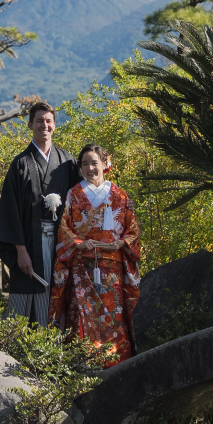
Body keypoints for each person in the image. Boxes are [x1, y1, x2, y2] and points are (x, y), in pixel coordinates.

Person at [48, 143, 141, 362]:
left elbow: (133, 229)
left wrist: (121, 244)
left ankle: (116, 362)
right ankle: (84, 362)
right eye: (85, 164)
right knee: (82, 314)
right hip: (82, 266)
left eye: (95, 163)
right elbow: (63, 226)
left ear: (106, 164)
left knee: (114, 314)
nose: (90, 168)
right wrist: (78, 242)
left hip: (112, 268)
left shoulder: (120, 195)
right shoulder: (74, 194)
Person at [0, 101, 81, 325]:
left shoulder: (67, 162)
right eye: (40, 121)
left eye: (49, 121)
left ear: (55, 125)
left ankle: (55, 347)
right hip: (29, 242)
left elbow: (82, 199)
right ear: (30, 124)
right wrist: (20, 250)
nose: (45, 125)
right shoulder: (21, 164)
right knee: (28, 287)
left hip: (62, 243)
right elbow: (10, 211)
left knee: (60, 287)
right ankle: (21, 347)